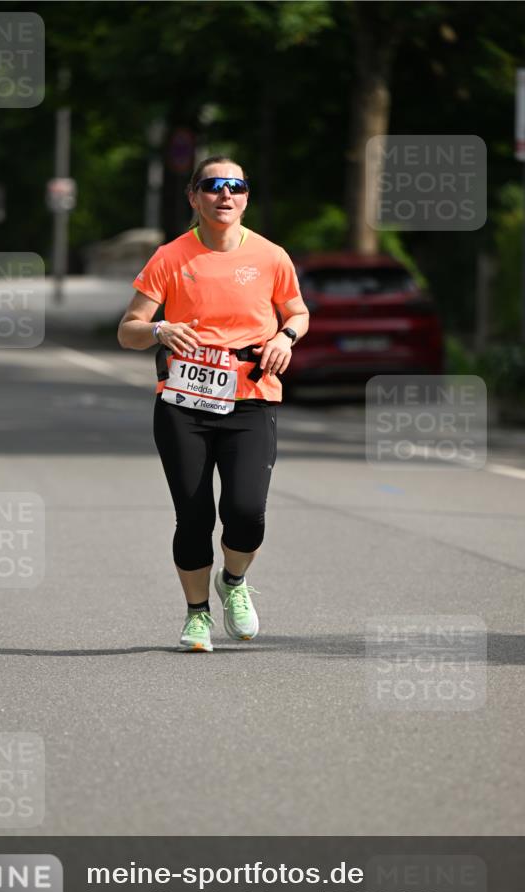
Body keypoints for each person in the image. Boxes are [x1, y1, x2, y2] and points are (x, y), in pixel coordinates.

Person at [118, 155, 309, 651]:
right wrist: (159, 328)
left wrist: (286, 337)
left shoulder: (271, 256)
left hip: (251, 398)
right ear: (194, 197)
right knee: (195, 514)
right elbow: (129, 330)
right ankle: (197, 614)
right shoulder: (170, 257)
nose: (225, 195)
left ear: (246, 197)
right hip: (183, 403)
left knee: (246, 511)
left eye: (236, 187)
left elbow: (298, 312)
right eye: (213, 186)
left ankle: (235, 582)